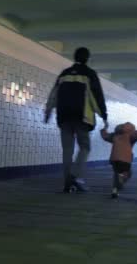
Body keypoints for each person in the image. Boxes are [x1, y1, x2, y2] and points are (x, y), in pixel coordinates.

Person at [45, 47, 108, 193]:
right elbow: (97, 96)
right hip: (82, 117)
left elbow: (54, 94)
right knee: (85, 147)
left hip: (64, 116)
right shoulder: (90, 74)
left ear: (74, 57)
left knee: (67, 149)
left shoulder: (64, 73)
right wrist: (103, 114)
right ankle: (74, 176)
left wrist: (48, 111)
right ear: (87, 58)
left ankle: (67, 182)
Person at [100, 122, 137, 199]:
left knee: (116, 173)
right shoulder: (131, 135)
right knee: (128, 173)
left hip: (114, 159)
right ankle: (121, 179)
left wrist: (104, 129)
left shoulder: (114, 135)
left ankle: (115, 190)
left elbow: (105, 136)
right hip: (125, 159)